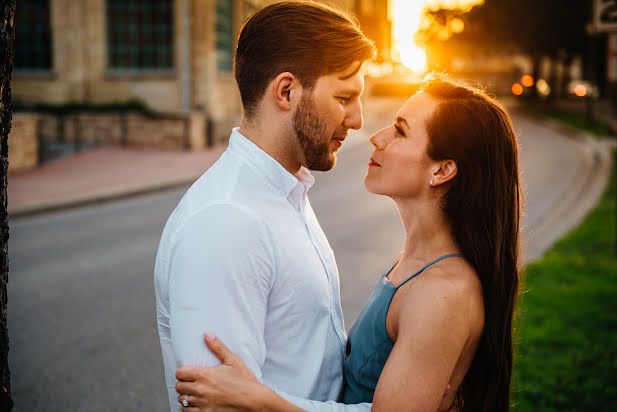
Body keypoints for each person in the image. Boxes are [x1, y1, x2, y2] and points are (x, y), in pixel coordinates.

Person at [174, 75, 523, 412]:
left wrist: (256, 399)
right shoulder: (412, 264)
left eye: (400, 130)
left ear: (442, 170)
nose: (378, 137)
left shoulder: (442, 293)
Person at [154, 2, 377, 412]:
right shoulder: (225, 222)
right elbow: (219, 408)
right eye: (345, 96)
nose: (358, 119)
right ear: (287, 91)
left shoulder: (285, 192)